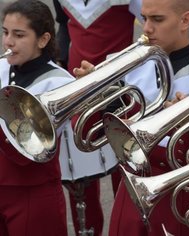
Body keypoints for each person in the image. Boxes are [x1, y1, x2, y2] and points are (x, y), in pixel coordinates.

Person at [100, 0, 189, 235]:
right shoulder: (131, 65)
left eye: (157, 20)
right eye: (145, 18)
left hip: (184, 196)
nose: (147, 28)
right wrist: (97, 92)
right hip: (132, 188)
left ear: (185, 20)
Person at [53, 1, 136, 235]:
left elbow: (158, 20)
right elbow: (63, 24)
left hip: (120, 89)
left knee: (126, 174)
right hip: (79, 88)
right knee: (81, 174)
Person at [0, 1, 75, 235]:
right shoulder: (2, 67)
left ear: (43, 40)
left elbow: (28, 149)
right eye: (5, 32)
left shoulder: (60, 83)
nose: (8, 42)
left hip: (32, 194)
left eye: (18, 35)